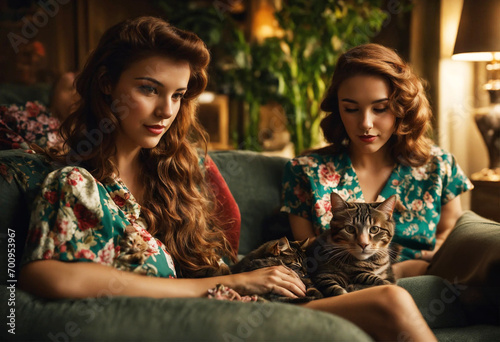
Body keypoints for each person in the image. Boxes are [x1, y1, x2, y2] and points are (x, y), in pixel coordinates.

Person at [18, 18, 436, 341]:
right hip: (200, 318)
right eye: (150, 89)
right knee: (391, 301)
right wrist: (234, 281)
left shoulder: (171, 179)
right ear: (108, 85)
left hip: (242, 302)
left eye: (178, 95)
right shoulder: (76, 183)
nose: (167, 109)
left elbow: (202, 272)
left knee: (391, 300)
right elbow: (49, 276)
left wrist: (248, 278)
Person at [281, 43, 473, 279]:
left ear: (402, 107)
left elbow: (450, 239)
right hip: (342, 291)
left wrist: (399, 271)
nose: (365, 123)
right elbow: (312, 256)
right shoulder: (305, 171)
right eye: (351, 109)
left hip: (427, 285)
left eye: (380, 108)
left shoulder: (439, 167)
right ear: (338, 109)